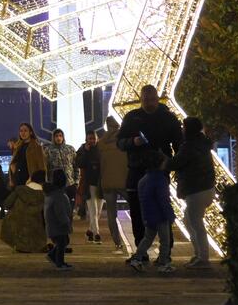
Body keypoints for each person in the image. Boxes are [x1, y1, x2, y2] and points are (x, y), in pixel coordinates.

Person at [116, 85, 182, 248]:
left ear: (157, 99)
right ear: (141, 99)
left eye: (152, 99)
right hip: (137, 169)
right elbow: (120, 142)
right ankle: (141, 249)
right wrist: (133, 142)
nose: (149, 103)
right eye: (146, 100)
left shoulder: (168, 118)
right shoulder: (132, 117)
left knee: (162, 208)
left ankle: (166, 249)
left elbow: (179, 144)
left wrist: (174, 165)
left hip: (159, 170)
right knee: (137, 210)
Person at [167, 117, 216, 269]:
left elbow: (175, 162)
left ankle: (203, 258)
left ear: (189, 129)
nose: (182, 130)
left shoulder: (189, 146)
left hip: (196, 190)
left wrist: (163, 159)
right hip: (206, 188)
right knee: (189, 221)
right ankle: (199, 254)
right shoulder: (202, 143)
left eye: (184, 127)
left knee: (196, 223)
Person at [128, 150, 176, 274]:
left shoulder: (143, 180)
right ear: (160, 164)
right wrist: (170, 215)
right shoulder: (160, 179)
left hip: (149, 214)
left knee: (147, 238)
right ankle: (163, 263)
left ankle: (137, 258)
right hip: (161, 215)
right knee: (165, 240)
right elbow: (164, 200)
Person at [98, 117, 131, 254]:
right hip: (124, 181)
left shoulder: (102, 143)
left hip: (107, 183)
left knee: (111, 215)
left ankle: (118, 244)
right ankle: (142, 239)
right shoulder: (124, 141)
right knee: (136, 209)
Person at [0, 169, 47, 253]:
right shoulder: (45, 195)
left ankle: (20, 245)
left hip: (15, 229)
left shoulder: (20, 190)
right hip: (36, 234)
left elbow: (7, 204)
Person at [75, 129, 104, 245]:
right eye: (89, 139)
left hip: (100, 184)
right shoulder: (82, 150)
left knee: (98, 211)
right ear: (86, 140)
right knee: (93, 210)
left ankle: (90, 231)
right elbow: (79, 163)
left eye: (93, 138)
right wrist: (86, 152)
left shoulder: (101, 149)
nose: (92, 141)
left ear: (97, 139)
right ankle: (97, 234)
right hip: (88, 184)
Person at [44, 169, 74, 271]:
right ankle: (59, 263)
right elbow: (60, 211)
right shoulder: (58, 195)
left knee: (63, 241)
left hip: (53, 224)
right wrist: (65, 222)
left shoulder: (52, 194)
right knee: (62, 243)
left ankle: (53, 256)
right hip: (58, 225)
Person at [44, 128, 76, 211]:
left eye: (60, 136)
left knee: (70, 208)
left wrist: (76, 182)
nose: (58, 138)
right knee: (58, 209)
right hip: (55, 185)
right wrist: (47, 183)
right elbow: (45, 167)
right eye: (56, 136)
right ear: (53, 138)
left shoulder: (70, 149)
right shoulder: (48, 150)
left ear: (63, 137)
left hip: (69, 183)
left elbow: (76, 166)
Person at [12, 122, 46, 190]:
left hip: (30, 180)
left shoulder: (37, 147)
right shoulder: (18, 146)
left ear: (30, 132)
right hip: (18, 179)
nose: (23, 133)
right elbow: (15, 161)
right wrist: (13, 170)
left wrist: (35, 180)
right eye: (21, 131)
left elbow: (42, 167)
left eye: (25, 130)